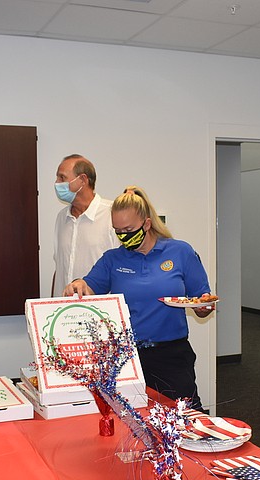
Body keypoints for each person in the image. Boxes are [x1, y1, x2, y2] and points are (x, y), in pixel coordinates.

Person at [64, 187, 215, 410]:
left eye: (129, 229)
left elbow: (201, 298)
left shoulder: (180, 252)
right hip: (128, 357)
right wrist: (78, 284)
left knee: (187, 415)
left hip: (171, 355)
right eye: (118, 231)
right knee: (134, 420)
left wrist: (203, 306)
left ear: (146, 223)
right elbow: (89, 286)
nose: (124, 236)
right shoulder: (113, 259)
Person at [52, 154, 119, 295]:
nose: (57, 183)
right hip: (64, 311)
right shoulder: (61, 218)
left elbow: (121, 269)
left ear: (82, 180)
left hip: (99, 311)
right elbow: (59, 268)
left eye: (62, 178)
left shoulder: (112, 214)